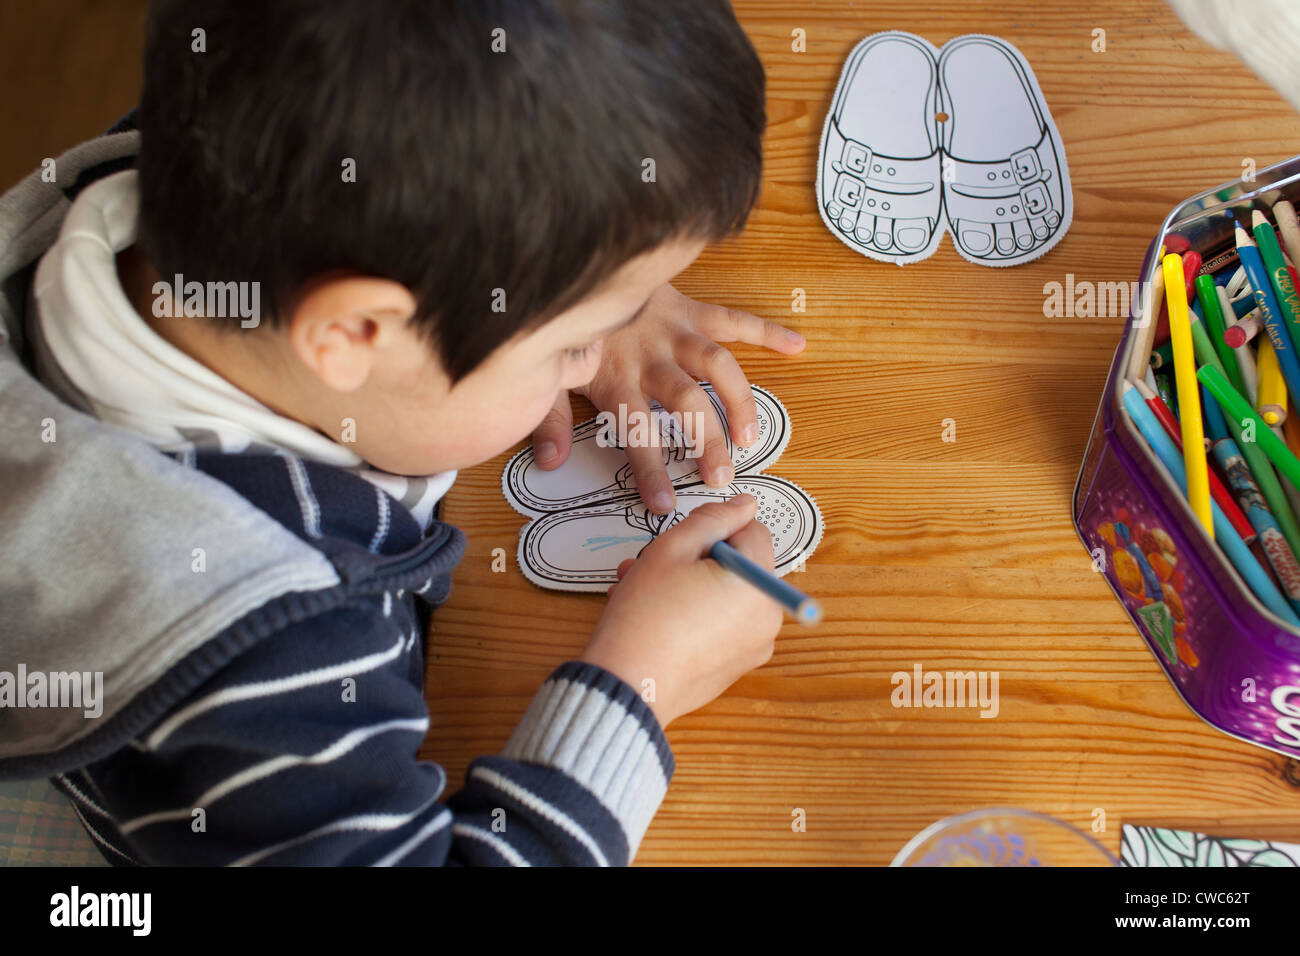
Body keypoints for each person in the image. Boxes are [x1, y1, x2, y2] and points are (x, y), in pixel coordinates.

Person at [0, 0, 805, 865]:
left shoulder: (184, 172)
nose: (586, 363)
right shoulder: (267, 663)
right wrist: (636, 684)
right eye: (574, 344)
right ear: (352, 335)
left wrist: (586, 299)